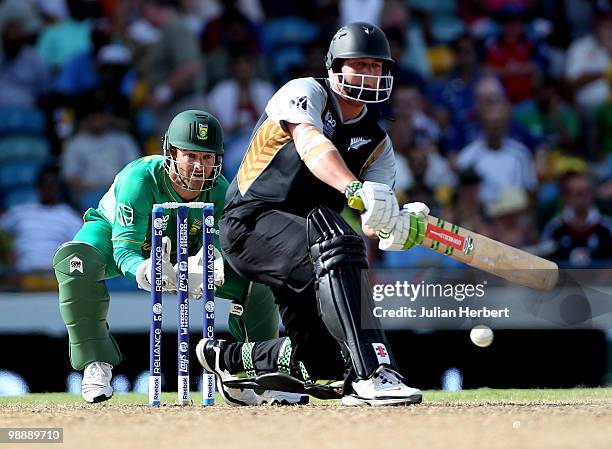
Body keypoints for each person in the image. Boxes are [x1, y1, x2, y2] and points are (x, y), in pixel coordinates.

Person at [195, 22, 427, 406]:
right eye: (360, 65)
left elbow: (374, 218)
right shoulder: (304, 92)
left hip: (309, 247)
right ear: (336, 66)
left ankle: (228, 358)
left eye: (376, 67)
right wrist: (355, 189)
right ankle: (374, 373)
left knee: (323, 365)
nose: (370, 74)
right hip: (249, 225)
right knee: (339, 239)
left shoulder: (379, 144)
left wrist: (398, 223)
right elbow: (312, 145)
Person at [53, 110, 303, 406]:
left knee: (259, 277)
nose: (199, 167)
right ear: (171, 152)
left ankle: (249, 371)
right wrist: (143, 269)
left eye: (208, 158)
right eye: (191, 156)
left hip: (190, 246)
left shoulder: (220, 190)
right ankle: (96, 362)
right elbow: (123, 250)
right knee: (74, 261)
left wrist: (213, 264)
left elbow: (228, 246)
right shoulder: (141, 179)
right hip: (118, 237)